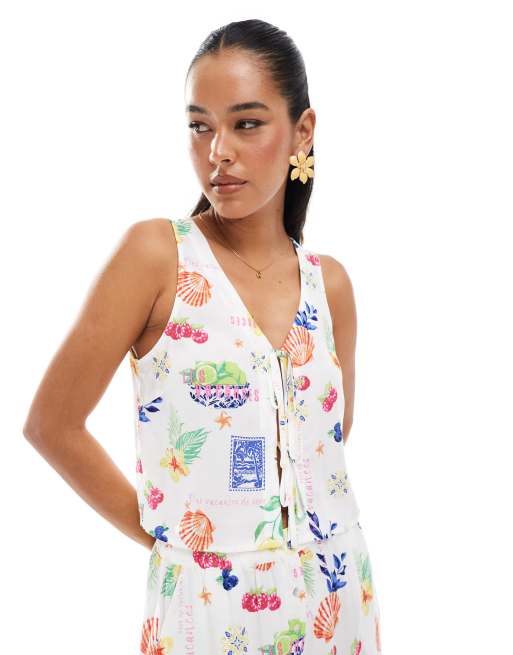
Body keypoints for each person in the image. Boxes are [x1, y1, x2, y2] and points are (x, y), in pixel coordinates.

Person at [23, 18, 382, 655]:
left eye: (247, 123)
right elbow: (51, 425)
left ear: (302, 131)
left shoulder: (330, 285)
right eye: (199, 126)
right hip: (207, 610)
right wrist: (176, 543)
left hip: (337, 594)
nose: (218, 150)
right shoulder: (157, 256)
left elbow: (321, 441)